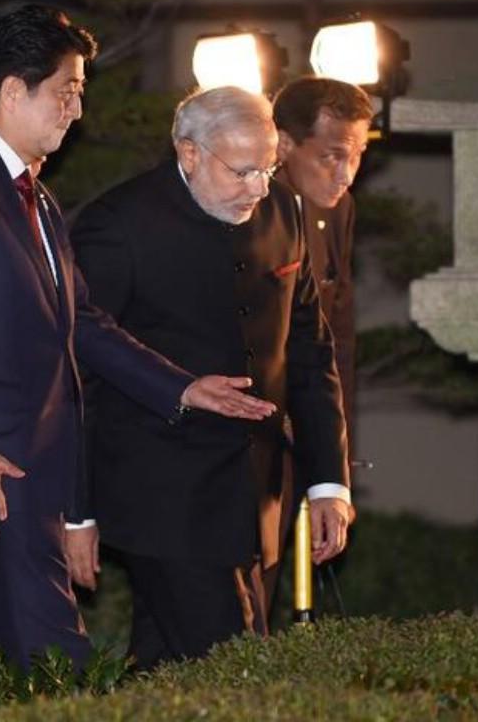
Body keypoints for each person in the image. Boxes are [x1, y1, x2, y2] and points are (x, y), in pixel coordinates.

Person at [0, 4, 275, 681]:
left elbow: (83, 322)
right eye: (66, 92)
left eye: (80, 94)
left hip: (33, 464)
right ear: (15, 91)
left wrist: (180, 387)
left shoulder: (33, 198)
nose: (76, 110)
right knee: (58, 658)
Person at [67, 86, 353, 669]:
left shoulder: (284, 210)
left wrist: (329, 483)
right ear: (189, 153)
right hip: (160, 495)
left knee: (166, 672)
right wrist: (77, 510)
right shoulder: (116, 224)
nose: (259, 187)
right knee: (239, 665)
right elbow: (78, 362)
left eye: (268, 168)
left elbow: (309, 352)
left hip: (254, 492)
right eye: (243, 170)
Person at [272, 77, 373, 447]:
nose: (346, 175)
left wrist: (338, 458)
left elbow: (338, 336)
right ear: (283, 145)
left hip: (313, 419)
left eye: (359, 153)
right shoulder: (245, 205)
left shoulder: (340, 209)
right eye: (332, 156)